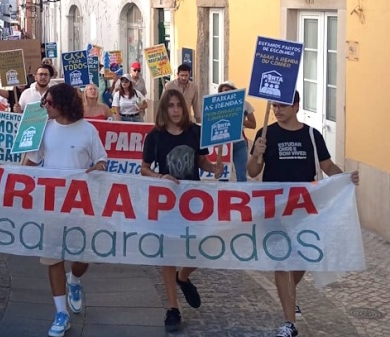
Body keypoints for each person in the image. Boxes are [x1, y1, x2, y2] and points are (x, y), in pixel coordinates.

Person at [247, 90, 359, 337]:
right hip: (274, 209)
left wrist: (344, 179)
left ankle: (289, 295)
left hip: (305, 211)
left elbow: (327, 165)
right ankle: (289, 323)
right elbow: (253, 171)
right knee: (282, 262)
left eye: (283, 105)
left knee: (304, 259)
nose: (277, 109)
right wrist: (257, 153)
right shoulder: (265, 134)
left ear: (297, 106)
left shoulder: (312, 135)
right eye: (275, 105)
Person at [24, 83, 107, 337]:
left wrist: (98, 169)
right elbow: (31, 160)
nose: (44, 106)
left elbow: (101, 160)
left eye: (48, 102)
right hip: (51, 202)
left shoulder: (88, 131)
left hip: (80, 203)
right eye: (43, 102)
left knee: (84, 255)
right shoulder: (43, 129)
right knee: (53, 256)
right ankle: (60, 312)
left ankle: (75, 279)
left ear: (62, 103)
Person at [140, 89, 223, 332]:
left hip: (194, 202)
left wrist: (214, 169)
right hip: (166, 202)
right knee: (167, 255)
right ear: (164, 109)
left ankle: (183, 276)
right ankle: (173, 309)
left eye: (179, 105)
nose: (175, 110)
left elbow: (201, 162)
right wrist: (160, 176)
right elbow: (144, 169)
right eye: (171, 106)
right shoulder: (155, 136)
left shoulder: (195, 132)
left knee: (204, 246)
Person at [218, 81, 256, 181]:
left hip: (240, 142)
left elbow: (253, 125)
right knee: (223, 176)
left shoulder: (245, 104)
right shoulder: (218, 105)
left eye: (227, 90)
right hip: (224, 144)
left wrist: (241, 121)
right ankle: (222, 196)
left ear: (234, 91)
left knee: (241, 174)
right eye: (222, 92)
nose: (225, 93)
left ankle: (242, 194)